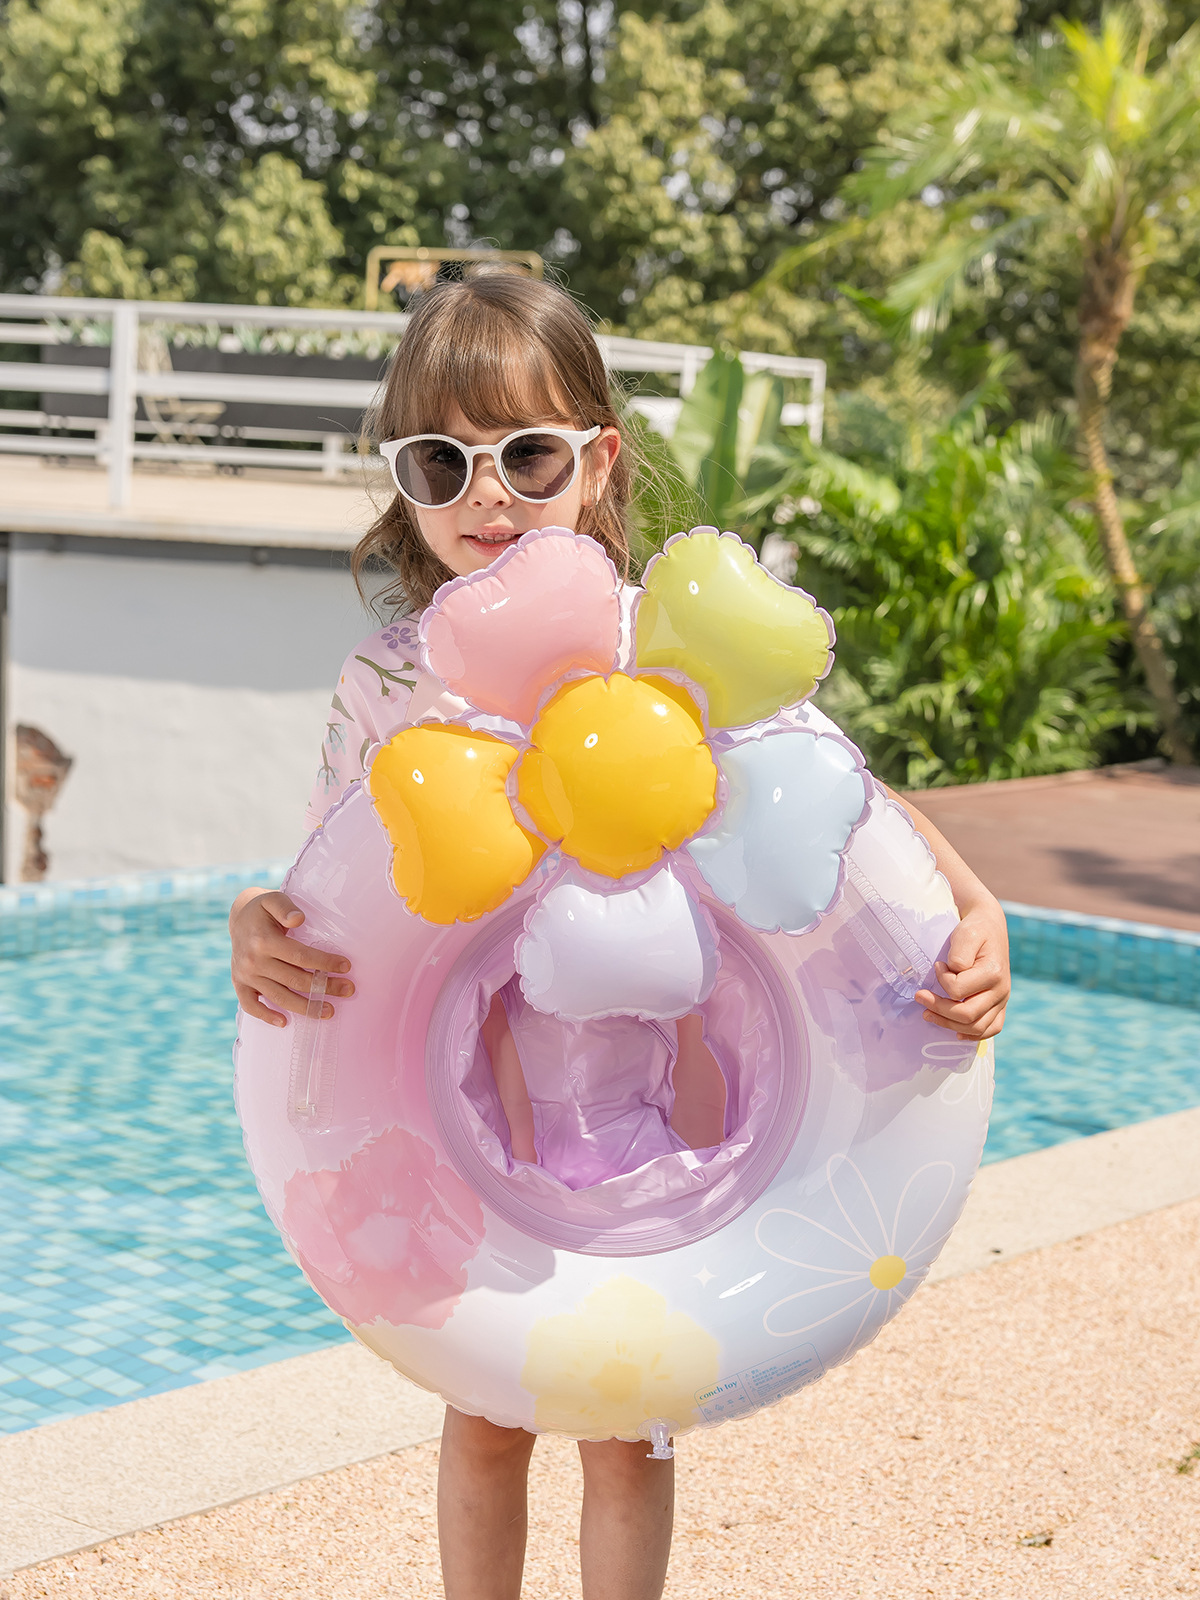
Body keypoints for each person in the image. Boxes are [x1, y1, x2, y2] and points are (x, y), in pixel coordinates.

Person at [229, 272, 1011, 1600]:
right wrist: (254, 924)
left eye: (526, 455)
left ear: (596, 460)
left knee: (627, 1432)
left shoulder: (670, 647)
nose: (487, 494)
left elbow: (839, 803)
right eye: (441, 461)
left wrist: (973, 903)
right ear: (403, 483)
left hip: (666, 1095)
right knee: (482, 1418)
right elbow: (330, 885)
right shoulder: (390, 682)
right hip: (483, 1101)